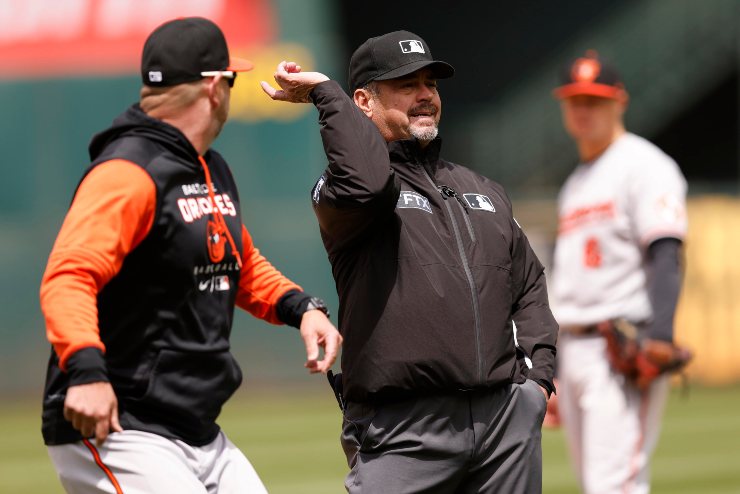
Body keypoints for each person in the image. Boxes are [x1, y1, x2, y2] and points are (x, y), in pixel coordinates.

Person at [40, 17, 342, 494]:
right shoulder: (129, 171)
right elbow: (69, 276)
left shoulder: (207, 166)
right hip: (119, 422)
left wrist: (300, 307)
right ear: (214, 89)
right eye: (232, 78)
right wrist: (86, 373)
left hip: (195, 426)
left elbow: (237, 261)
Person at [262, 30, 558, 493]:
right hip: (402, 428)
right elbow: (367, 181)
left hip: (504, 422)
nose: (425, 96)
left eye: (431, 84)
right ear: (364, 100)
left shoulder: (482, 189)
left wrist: (537, 382)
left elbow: (529, 285)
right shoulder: (347, 193)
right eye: (406, 84)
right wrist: (326, 95)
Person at [548, 50, 688, 494]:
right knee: (596, 482)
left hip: (620, 345)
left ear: (619, 101)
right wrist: (550, 365)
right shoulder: (576, 183)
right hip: (571, 348)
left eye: (595, 100)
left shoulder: (646, 165)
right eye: (575, 100)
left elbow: (666, 251)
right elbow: (568, 282)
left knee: (615, 486)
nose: (583, 110)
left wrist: (661, 335)